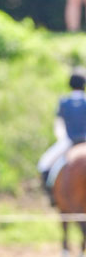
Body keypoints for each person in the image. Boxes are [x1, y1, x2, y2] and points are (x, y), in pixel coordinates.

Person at [38, 69, 86, 202]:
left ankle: (51, 196)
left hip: (69, 141)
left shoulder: (64, 102)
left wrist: (63, 139)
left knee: (44, 163)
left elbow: (59, 126)